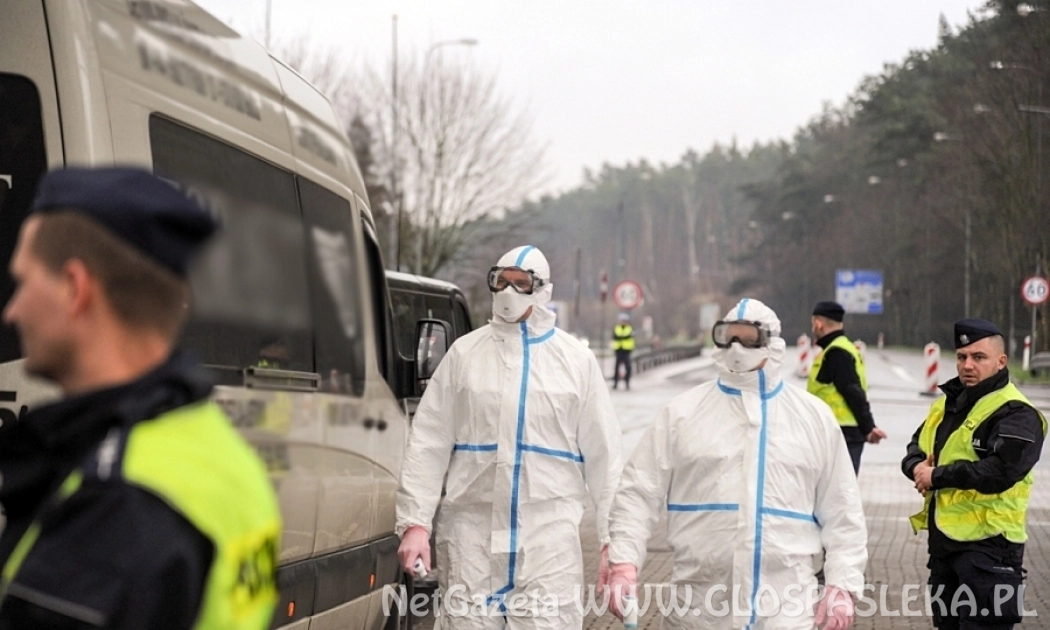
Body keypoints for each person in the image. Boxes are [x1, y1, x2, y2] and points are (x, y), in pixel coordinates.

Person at [0, 167, 280, 629]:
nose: (12, 310)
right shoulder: (225, 457)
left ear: (74, 288)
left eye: (23, 283)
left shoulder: (116, 501)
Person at [396, 245, 623, 629]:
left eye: (521, 284)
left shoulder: (574, 362)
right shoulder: (465, 355)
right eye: (501, 282)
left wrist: (614, 544)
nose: (509, 292)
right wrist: (416, 523)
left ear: (543, 290)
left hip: (547, 548)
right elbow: (428, 443)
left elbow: (606, 460)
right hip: (471, 543)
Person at [607, 298, 867, 630]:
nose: (737, 349)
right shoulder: (683, 413)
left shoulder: (812, 418)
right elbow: (637, 493)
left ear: (772, 343)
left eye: (749, 339)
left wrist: (843, 583)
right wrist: (624, 562)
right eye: (729, 338)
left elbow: (843, 511)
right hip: (697, 609)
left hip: (785, 608)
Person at [904, 318, 1046, 630]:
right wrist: (916, 468)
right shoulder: (948, 405)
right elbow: (916, 446)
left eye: (978, 357)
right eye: (962, 357)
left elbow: (1001, 471)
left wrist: (936, 476)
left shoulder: (1017, 413)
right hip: (944, 547)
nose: (968, 365)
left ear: (1000, 361)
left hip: (990, 548)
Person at [808, 300, 886, 474]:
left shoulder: (836, 353)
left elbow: (852, 391)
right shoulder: (839, 349)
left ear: (819, 324)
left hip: (841, 435)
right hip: (840, 434)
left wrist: (869, 427)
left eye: (813, 323)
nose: (813, 327)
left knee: (839, 496)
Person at [613, 312, 635, 390]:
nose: (624, 322)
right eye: (622, 320)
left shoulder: (630, 328)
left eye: (625, 320)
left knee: (628, 367)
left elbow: (627, 337)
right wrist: (624, 337)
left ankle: (627, 382)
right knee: (616, 367)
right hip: (619, 350)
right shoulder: (617, 328)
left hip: (627, 351)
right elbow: (616, 337)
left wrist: (622, 337)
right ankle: (615, 383)